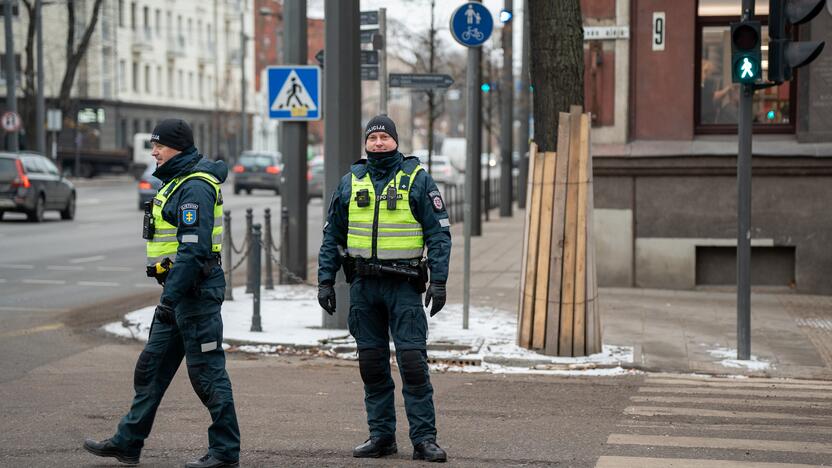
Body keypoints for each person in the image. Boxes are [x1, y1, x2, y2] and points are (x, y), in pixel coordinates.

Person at [83, 119, 240, 468]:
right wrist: (170, 298)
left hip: (195, 294)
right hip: (178, 294)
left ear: (178, 148)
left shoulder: (195, 186)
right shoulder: (176, 181)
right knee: (150, 369)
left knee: (207, 374)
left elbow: (193, 251)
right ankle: (128, 441)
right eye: (153, 145)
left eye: (160, 146)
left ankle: (225, 451)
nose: (153, 151)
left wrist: (170, 300)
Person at [317, 115, 452, 463]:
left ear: (395, 141)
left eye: (384, 137)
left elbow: (438, 234)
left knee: (412, 363)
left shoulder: (418, 180)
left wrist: (438, 281)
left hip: (404, 287)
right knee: (372, 366)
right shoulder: (350, 183)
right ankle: (381, 437)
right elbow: (332, 237)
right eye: (373, 137)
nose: (378, 143)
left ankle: (424, 439)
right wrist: (325, 281)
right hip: (364, 288)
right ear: (366, 143)